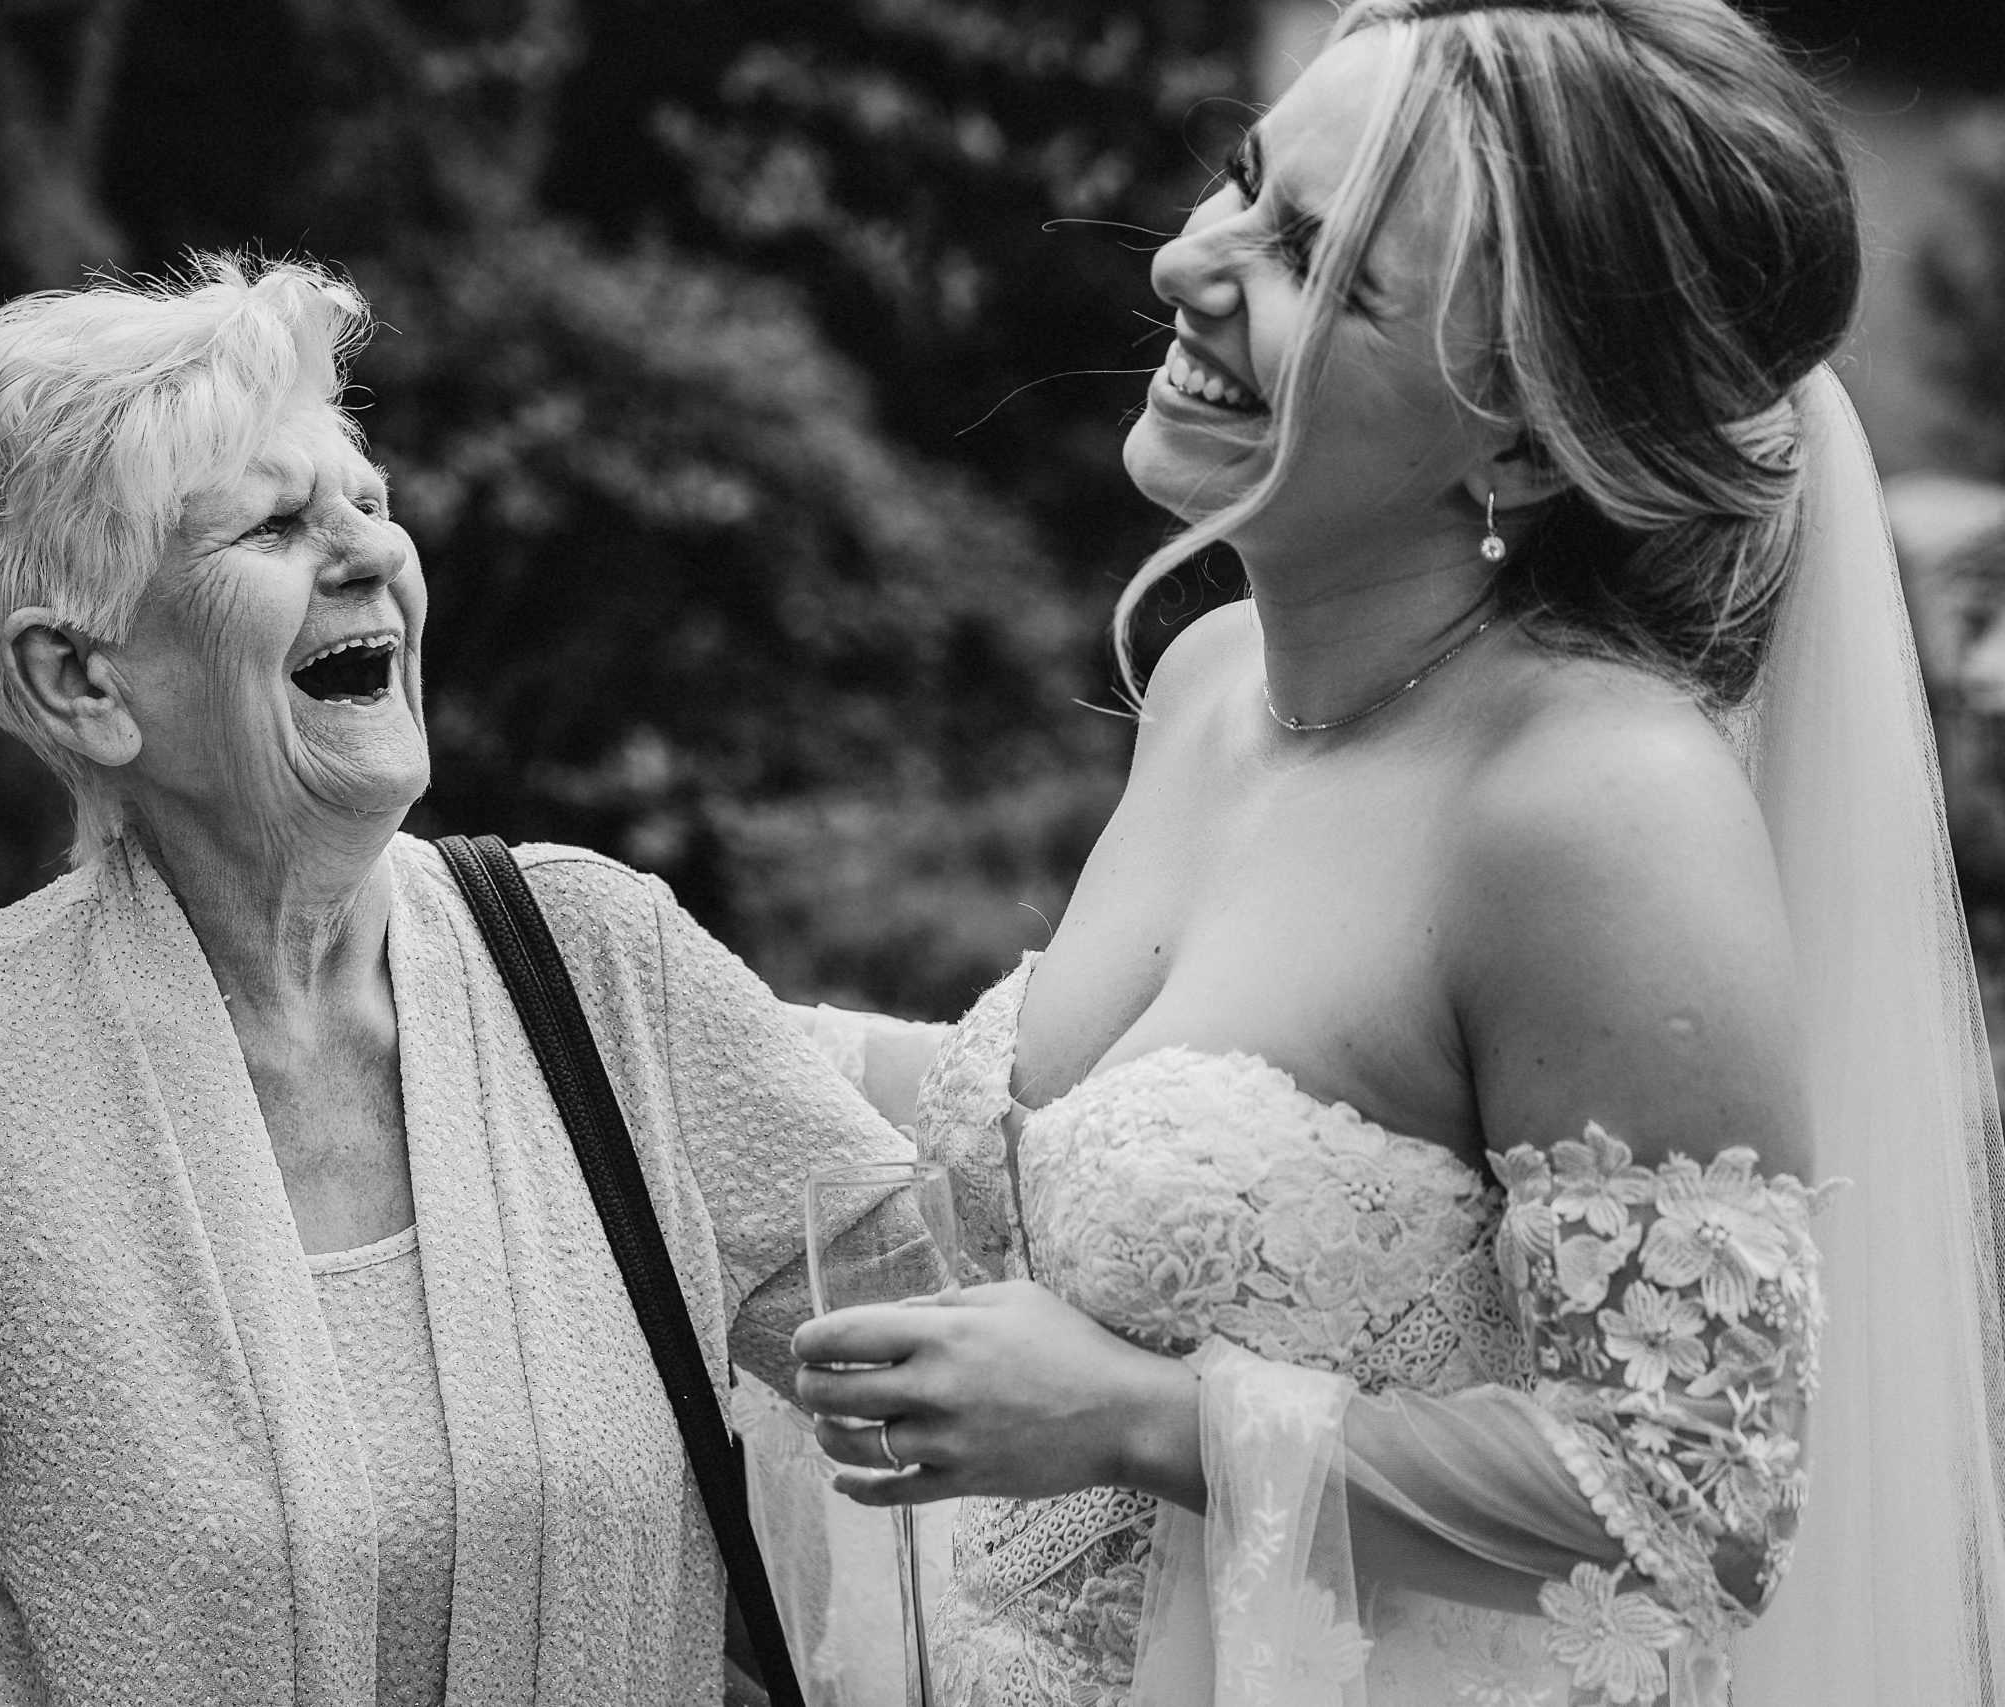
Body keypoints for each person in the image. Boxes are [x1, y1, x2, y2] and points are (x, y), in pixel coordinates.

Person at [784, 3, 2005, 1704]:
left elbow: (1695, 1497)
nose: (1185, 269)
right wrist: (646, 996)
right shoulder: (1218, 687)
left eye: (1319, 264)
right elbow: (1103, 1150)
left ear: (1518, 429)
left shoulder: (1593, 809)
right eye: (1243, 184)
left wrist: (1144, 1422)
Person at [0, 254, 913, 1707]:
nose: (367, 551)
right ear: (84, 679)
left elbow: (978, 1400)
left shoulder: (600, 960)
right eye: (275, 523)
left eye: (371, 503)